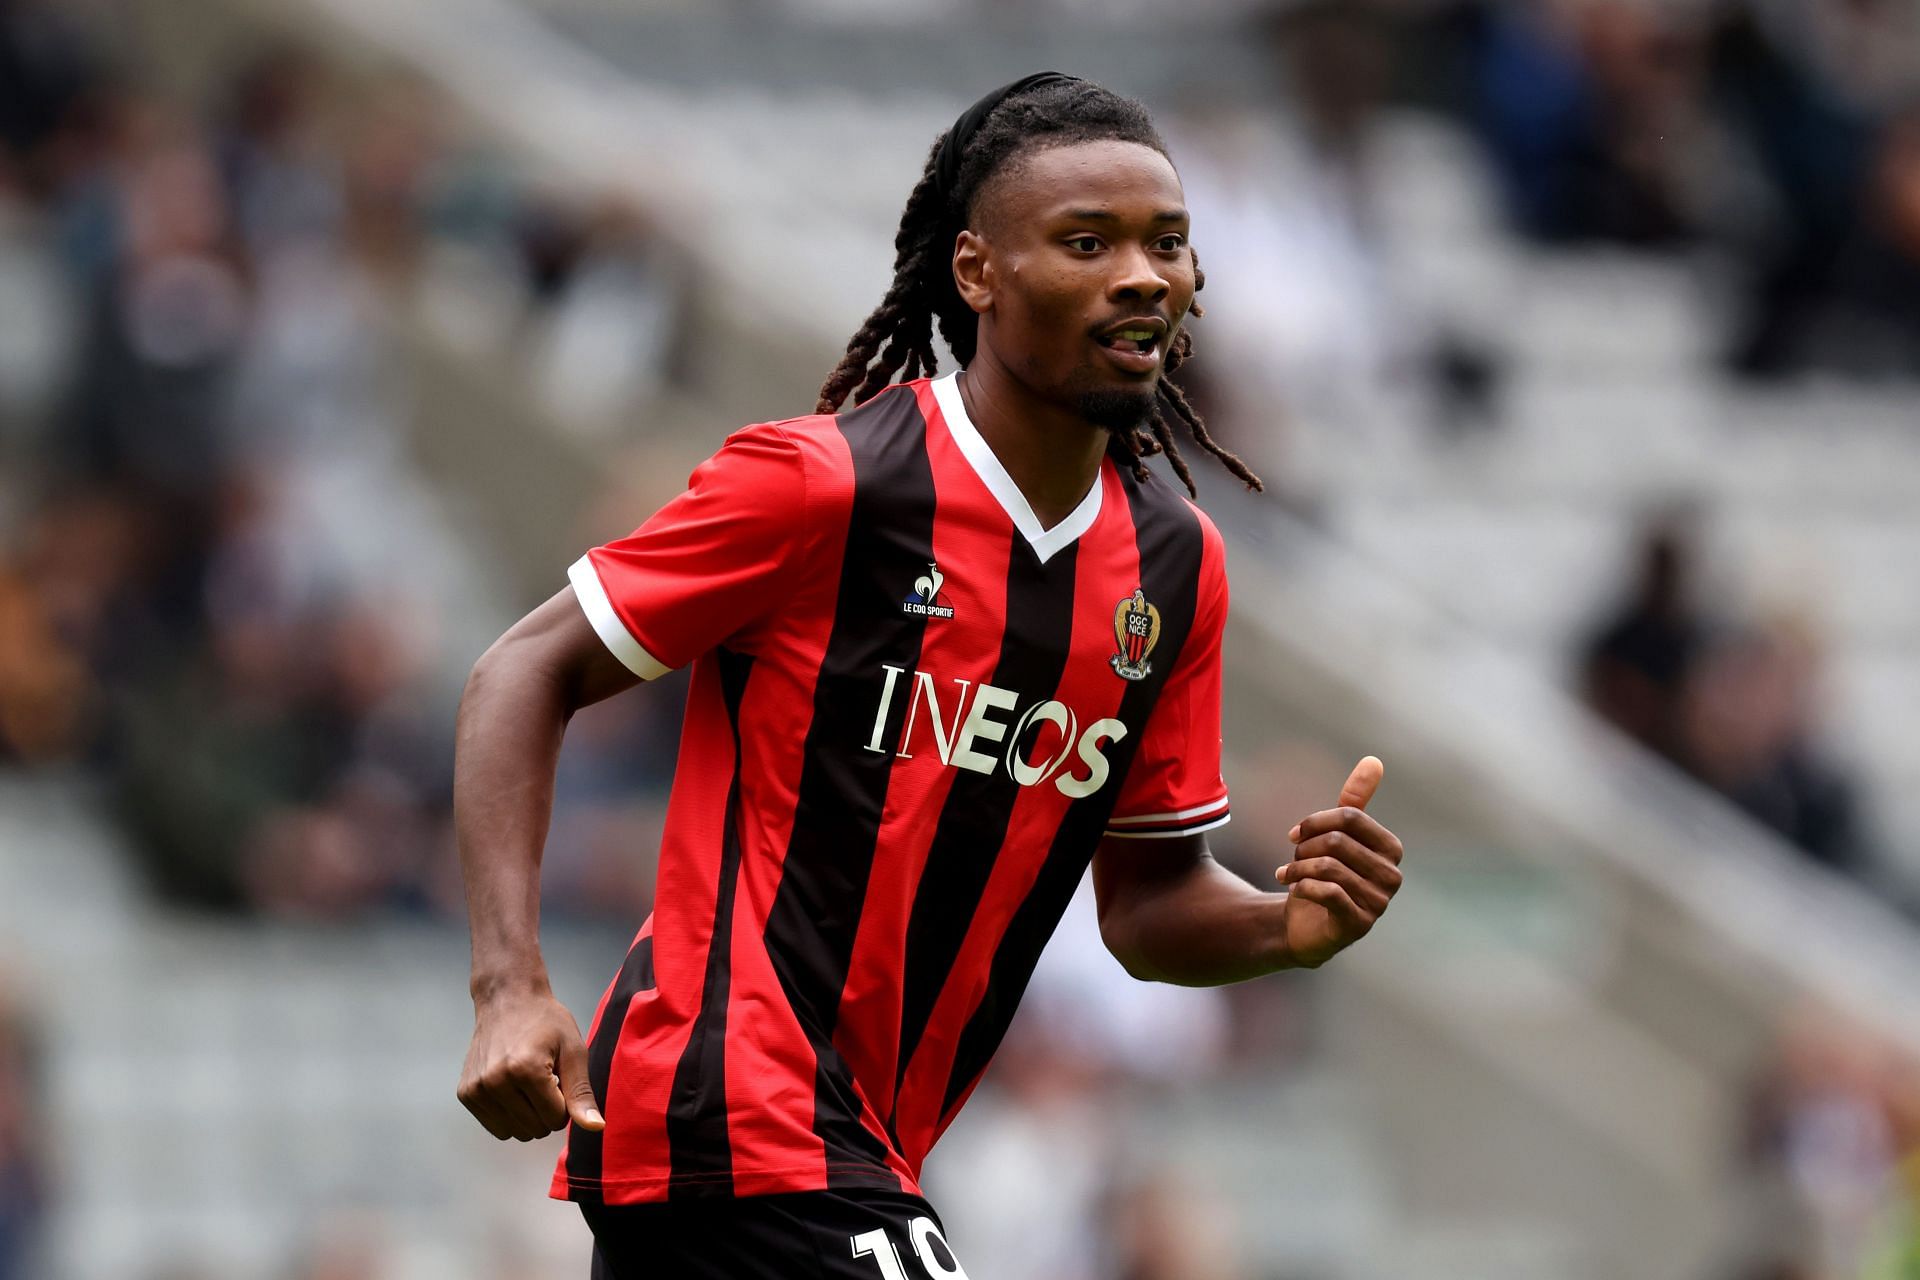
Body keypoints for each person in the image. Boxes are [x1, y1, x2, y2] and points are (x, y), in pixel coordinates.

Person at [453, 74, 1409, 1279]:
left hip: (870, 1142)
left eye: (1167, 242)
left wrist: (1289, 924)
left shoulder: (1176, 566)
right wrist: (509, 983)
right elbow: (521, 668)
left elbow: (1150, 902)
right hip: (731, 1104)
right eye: (1086, 241)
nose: (1141, 274)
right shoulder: (826, 485)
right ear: (976, 272)